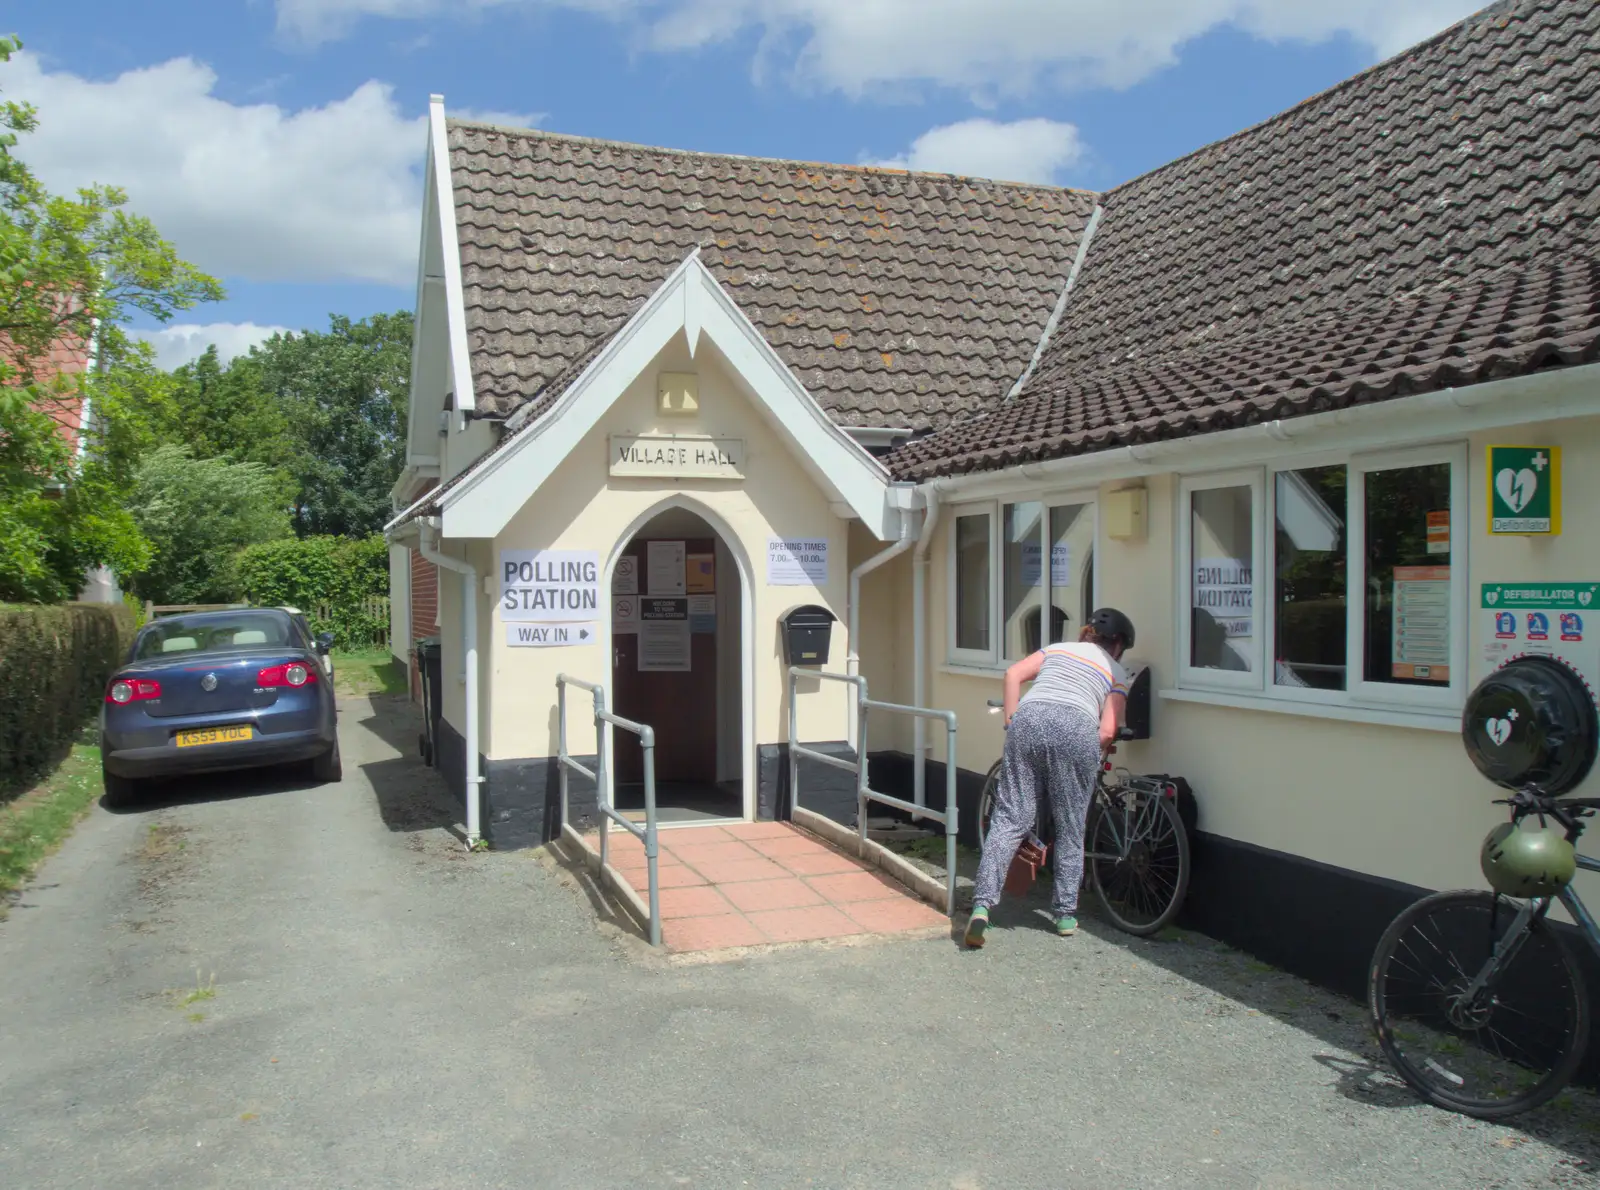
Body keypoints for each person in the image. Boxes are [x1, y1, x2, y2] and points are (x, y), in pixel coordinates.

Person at [964, 607, 1135, 947]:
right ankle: (1065, 915)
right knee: (1071, 824)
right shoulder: (1117, 672)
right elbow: (1108, 730)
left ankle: (982, 906)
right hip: (1076, 728)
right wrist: (1089, 754)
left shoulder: (1057, 649)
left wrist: (1011, 721)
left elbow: (1013, 674)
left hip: (1029, 719)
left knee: (1011, 817)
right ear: (1117, 644)